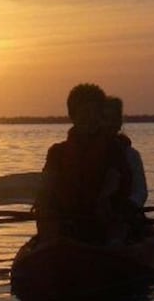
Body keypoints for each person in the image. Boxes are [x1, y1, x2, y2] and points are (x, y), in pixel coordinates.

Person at [33, 83, 133, 243]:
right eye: (85, 113)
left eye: (96, 113)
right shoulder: (57, 152)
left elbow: (115, 179)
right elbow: (47, 184)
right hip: (67, 221)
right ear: (72, 116)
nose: (90, 119)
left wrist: (104, 199)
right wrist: (43, 205)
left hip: (103, 223)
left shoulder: (114, 149)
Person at [104, 96, 148, 208]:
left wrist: (129, 205)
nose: (110, 124)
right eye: (106, 119)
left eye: (114, 119)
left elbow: (140, 192)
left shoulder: (131, 155)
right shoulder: (86, 153)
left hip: (126, 213)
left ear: (119, 123)